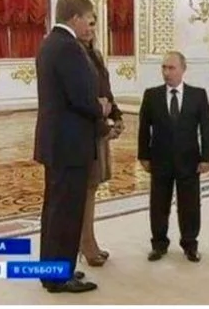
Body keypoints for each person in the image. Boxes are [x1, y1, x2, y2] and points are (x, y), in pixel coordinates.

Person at [33, 0, 110, 293]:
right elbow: (80, 97)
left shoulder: (50, 43)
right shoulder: (68, 48)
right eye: (88, 20)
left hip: (57, 143)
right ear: (75, 18)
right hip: (70, 144)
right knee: (65, 212)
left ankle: (53, 270)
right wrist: (100, 107)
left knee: (55, 210)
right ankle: (58, 277)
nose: (91, 26)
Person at [138, 51, 209, 263]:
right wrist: (143, 155)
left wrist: (206, 157)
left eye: (171, 68)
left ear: (183, 69)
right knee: (158, 205)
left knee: (190, 205)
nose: (166, 72)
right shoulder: (151, 95)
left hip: (189, 161)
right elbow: (144, 128)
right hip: (159, 159)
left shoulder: (198, 95)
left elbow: (207, 128)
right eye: (164, 67)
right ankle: (158, 244)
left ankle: (190, 244)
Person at [77, 14, 125, 266]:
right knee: (87, 187)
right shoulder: (74, 56)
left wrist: (116, 115)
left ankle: (88, 241)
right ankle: (86, 244)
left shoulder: (95, 55)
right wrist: (104, 126)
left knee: (92, 187)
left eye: (93, 24)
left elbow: (105, 91)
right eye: (86, 23)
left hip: (98, 128)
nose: (90, 29)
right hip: (87, 130)